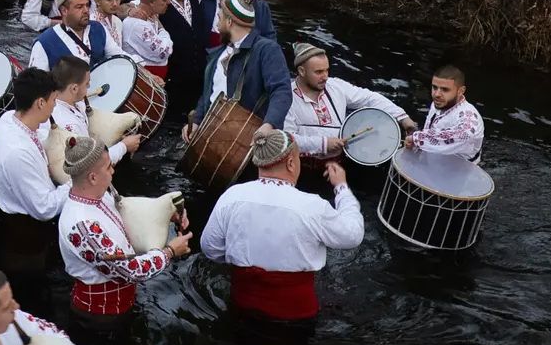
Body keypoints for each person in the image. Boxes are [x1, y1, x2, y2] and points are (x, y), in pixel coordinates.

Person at [200, 126, 363, 321]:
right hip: (296, 316)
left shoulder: (231, 196)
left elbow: (210, 248)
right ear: (292, 163)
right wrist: (341, 188)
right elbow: (352, 235)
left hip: (241, 305)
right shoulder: (312, 205)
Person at [57, 136, 189, 324]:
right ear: (92, 177)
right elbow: (130, 271)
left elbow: (126, 213)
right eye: (108, 167)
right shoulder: (82, 227)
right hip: (100, 317)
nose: (113, 171)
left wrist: (167, 215)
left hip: (118, 304)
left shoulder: (100, 193)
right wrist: (171, 252)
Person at [0, 68, 69, 278]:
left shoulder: (9, 118)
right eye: (53, 100)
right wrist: (76, 182)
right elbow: (44, 208)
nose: (54, 106)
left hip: (20, 224)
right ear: (40, 103)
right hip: (24, 239)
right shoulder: (18, 153)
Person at [284, 44, 408, 158]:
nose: (325, 76)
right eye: (319, 72)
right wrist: (323, 143)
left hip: (340, 160)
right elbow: (285, 140)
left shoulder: (336, 86)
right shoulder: (285, 99)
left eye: (327, 70)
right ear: (301, 71)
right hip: (304, 166)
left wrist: (401, 116)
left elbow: (370, 98)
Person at [188, 0, 291, 130]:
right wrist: (197, 120)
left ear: (229, 21)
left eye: (220, 18)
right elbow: (209, 92)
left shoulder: (267, 49)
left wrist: (269, 124)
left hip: (246, 134)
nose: (217, 25)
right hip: (210, 131)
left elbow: (281, 90)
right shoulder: (218, 53)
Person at [399, 65, 484, 162]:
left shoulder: (469, 116)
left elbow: (462, 134)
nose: (437, 94)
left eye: (445, 89)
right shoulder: (440, 102)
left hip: (459, 172)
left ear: (460, 91)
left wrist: (418, 138)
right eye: (434, 87)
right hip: (434, 161)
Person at [27, 0, 110, 69]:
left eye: (87, 5)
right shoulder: (44, 43)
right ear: (64, 10)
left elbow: (117, 56)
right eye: (79, 7)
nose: (86, 10)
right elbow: (36, 80)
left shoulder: (98, 28)